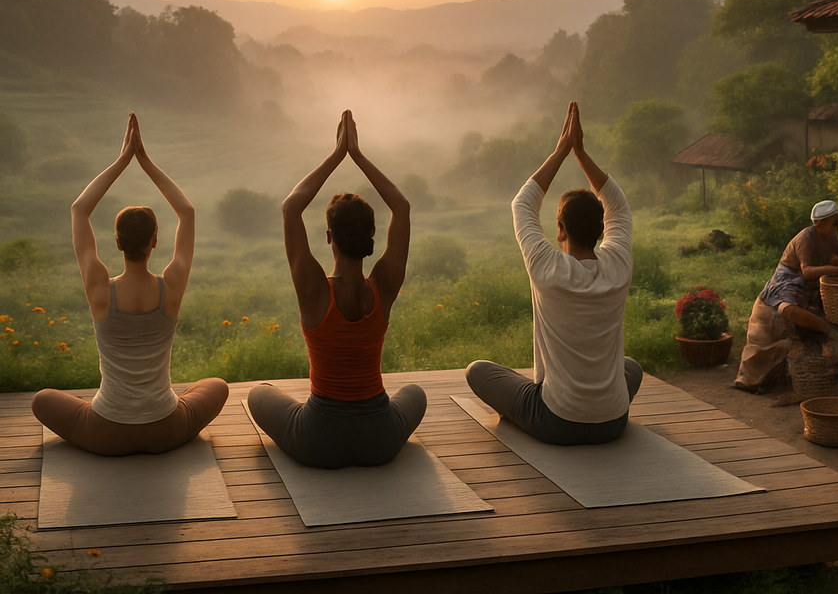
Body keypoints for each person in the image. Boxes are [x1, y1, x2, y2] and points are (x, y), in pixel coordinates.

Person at [32, 113, 229, 455]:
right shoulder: (171, 286)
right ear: (155, 241)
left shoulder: (100, 290)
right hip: (166, 429)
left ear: (118, 243)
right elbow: (187, 212)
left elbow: (79, 210)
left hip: (106, 432)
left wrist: (122, 160)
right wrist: (146, 161)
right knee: (217, 386)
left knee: (42, 400)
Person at [246, 111, 426, 469]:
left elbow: (290, 207)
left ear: (329, 238)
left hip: (318, 440)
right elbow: (402, 208)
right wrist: (358, 156)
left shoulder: (313, 290)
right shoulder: (383, 287)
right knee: (415, 394)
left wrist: (337, 154)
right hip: (380, 440)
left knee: (258, 394)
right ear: (372, 237)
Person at [466, 101, 642, 445]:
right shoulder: (618, 265)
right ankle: (597, 405)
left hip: (557, 422)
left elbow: (523, 203)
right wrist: (581, 153)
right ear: (602, 231)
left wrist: (562, 150)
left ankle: (531, 414)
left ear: (560, 229)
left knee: (478, 371)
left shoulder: (547, 267)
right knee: (630, 367)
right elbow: (617, 204)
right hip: (614, 421)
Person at [733, 200, 838, 394]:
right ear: (819, 224)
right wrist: (836, 269)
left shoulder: (832, 238)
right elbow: (806, 271)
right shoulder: (805, 238)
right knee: (788, 309)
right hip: (789, 280)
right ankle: (823, 327)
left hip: (812, 284)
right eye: (835, 223)